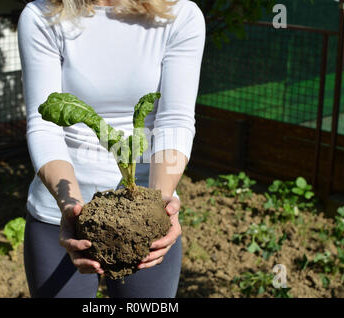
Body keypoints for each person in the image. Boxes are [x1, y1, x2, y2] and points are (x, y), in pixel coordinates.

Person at [18, 0, 205, 298]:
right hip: (60, 212)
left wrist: (159, 203)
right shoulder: (43, 14)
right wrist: (73, 209)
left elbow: (174, 120)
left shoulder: (179, 14)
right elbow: (44, 126)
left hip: (146, 217)